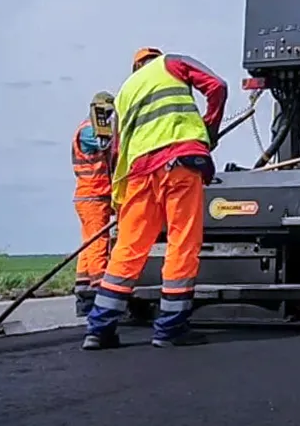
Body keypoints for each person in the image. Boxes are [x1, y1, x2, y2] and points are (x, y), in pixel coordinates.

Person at [82, 47, 227, 350]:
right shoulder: (172, 63)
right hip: (179, 164)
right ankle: (170, 329)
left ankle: (99, 329)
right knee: (182, 243)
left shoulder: (125, 91)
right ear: (154, 59)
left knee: (128, 250)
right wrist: (207, 132)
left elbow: (117, 150)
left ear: (136, 66)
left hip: (137, 175)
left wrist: (119, 198)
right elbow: (217, 86)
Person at [71, 92, 117, 317]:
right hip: (93, 196)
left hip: (91, 196)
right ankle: (100, 293)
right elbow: (106, 143)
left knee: (88, 245)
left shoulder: (90, 128)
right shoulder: (89, 130)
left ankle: (84, 293)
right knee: (98, 243)